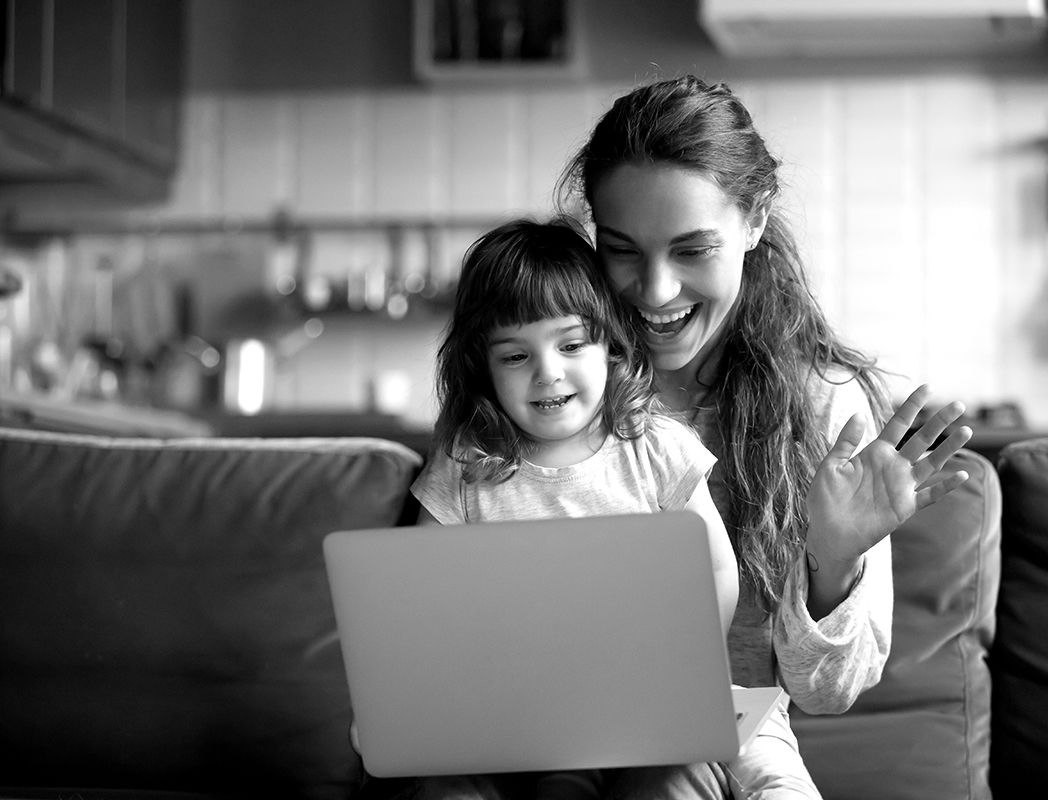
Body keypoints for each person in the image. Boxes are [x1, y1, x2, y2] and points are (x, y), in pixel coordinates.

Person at [554, 74, 973, 795]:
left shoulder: (820, 405)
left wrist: (832, 561)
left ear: (754, 221)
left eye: (692, 250)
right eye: (622, 249)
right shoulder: (551, 389)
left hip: (723, 749)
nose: (655, 292)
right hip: (547, 740)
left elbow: (827, 691)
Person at [379, 217, 820, 800]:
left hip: (658, 694)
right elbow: (418, 594)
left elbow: (714, 566)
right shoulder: (466, 465)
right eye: (515, 356)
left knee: (767, 770)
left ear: (610, 345)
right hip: (520, 711)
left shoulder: (655, 446)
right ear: (481, 367)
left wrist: (681, 662)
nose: (547, 372)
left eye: (570, 344)